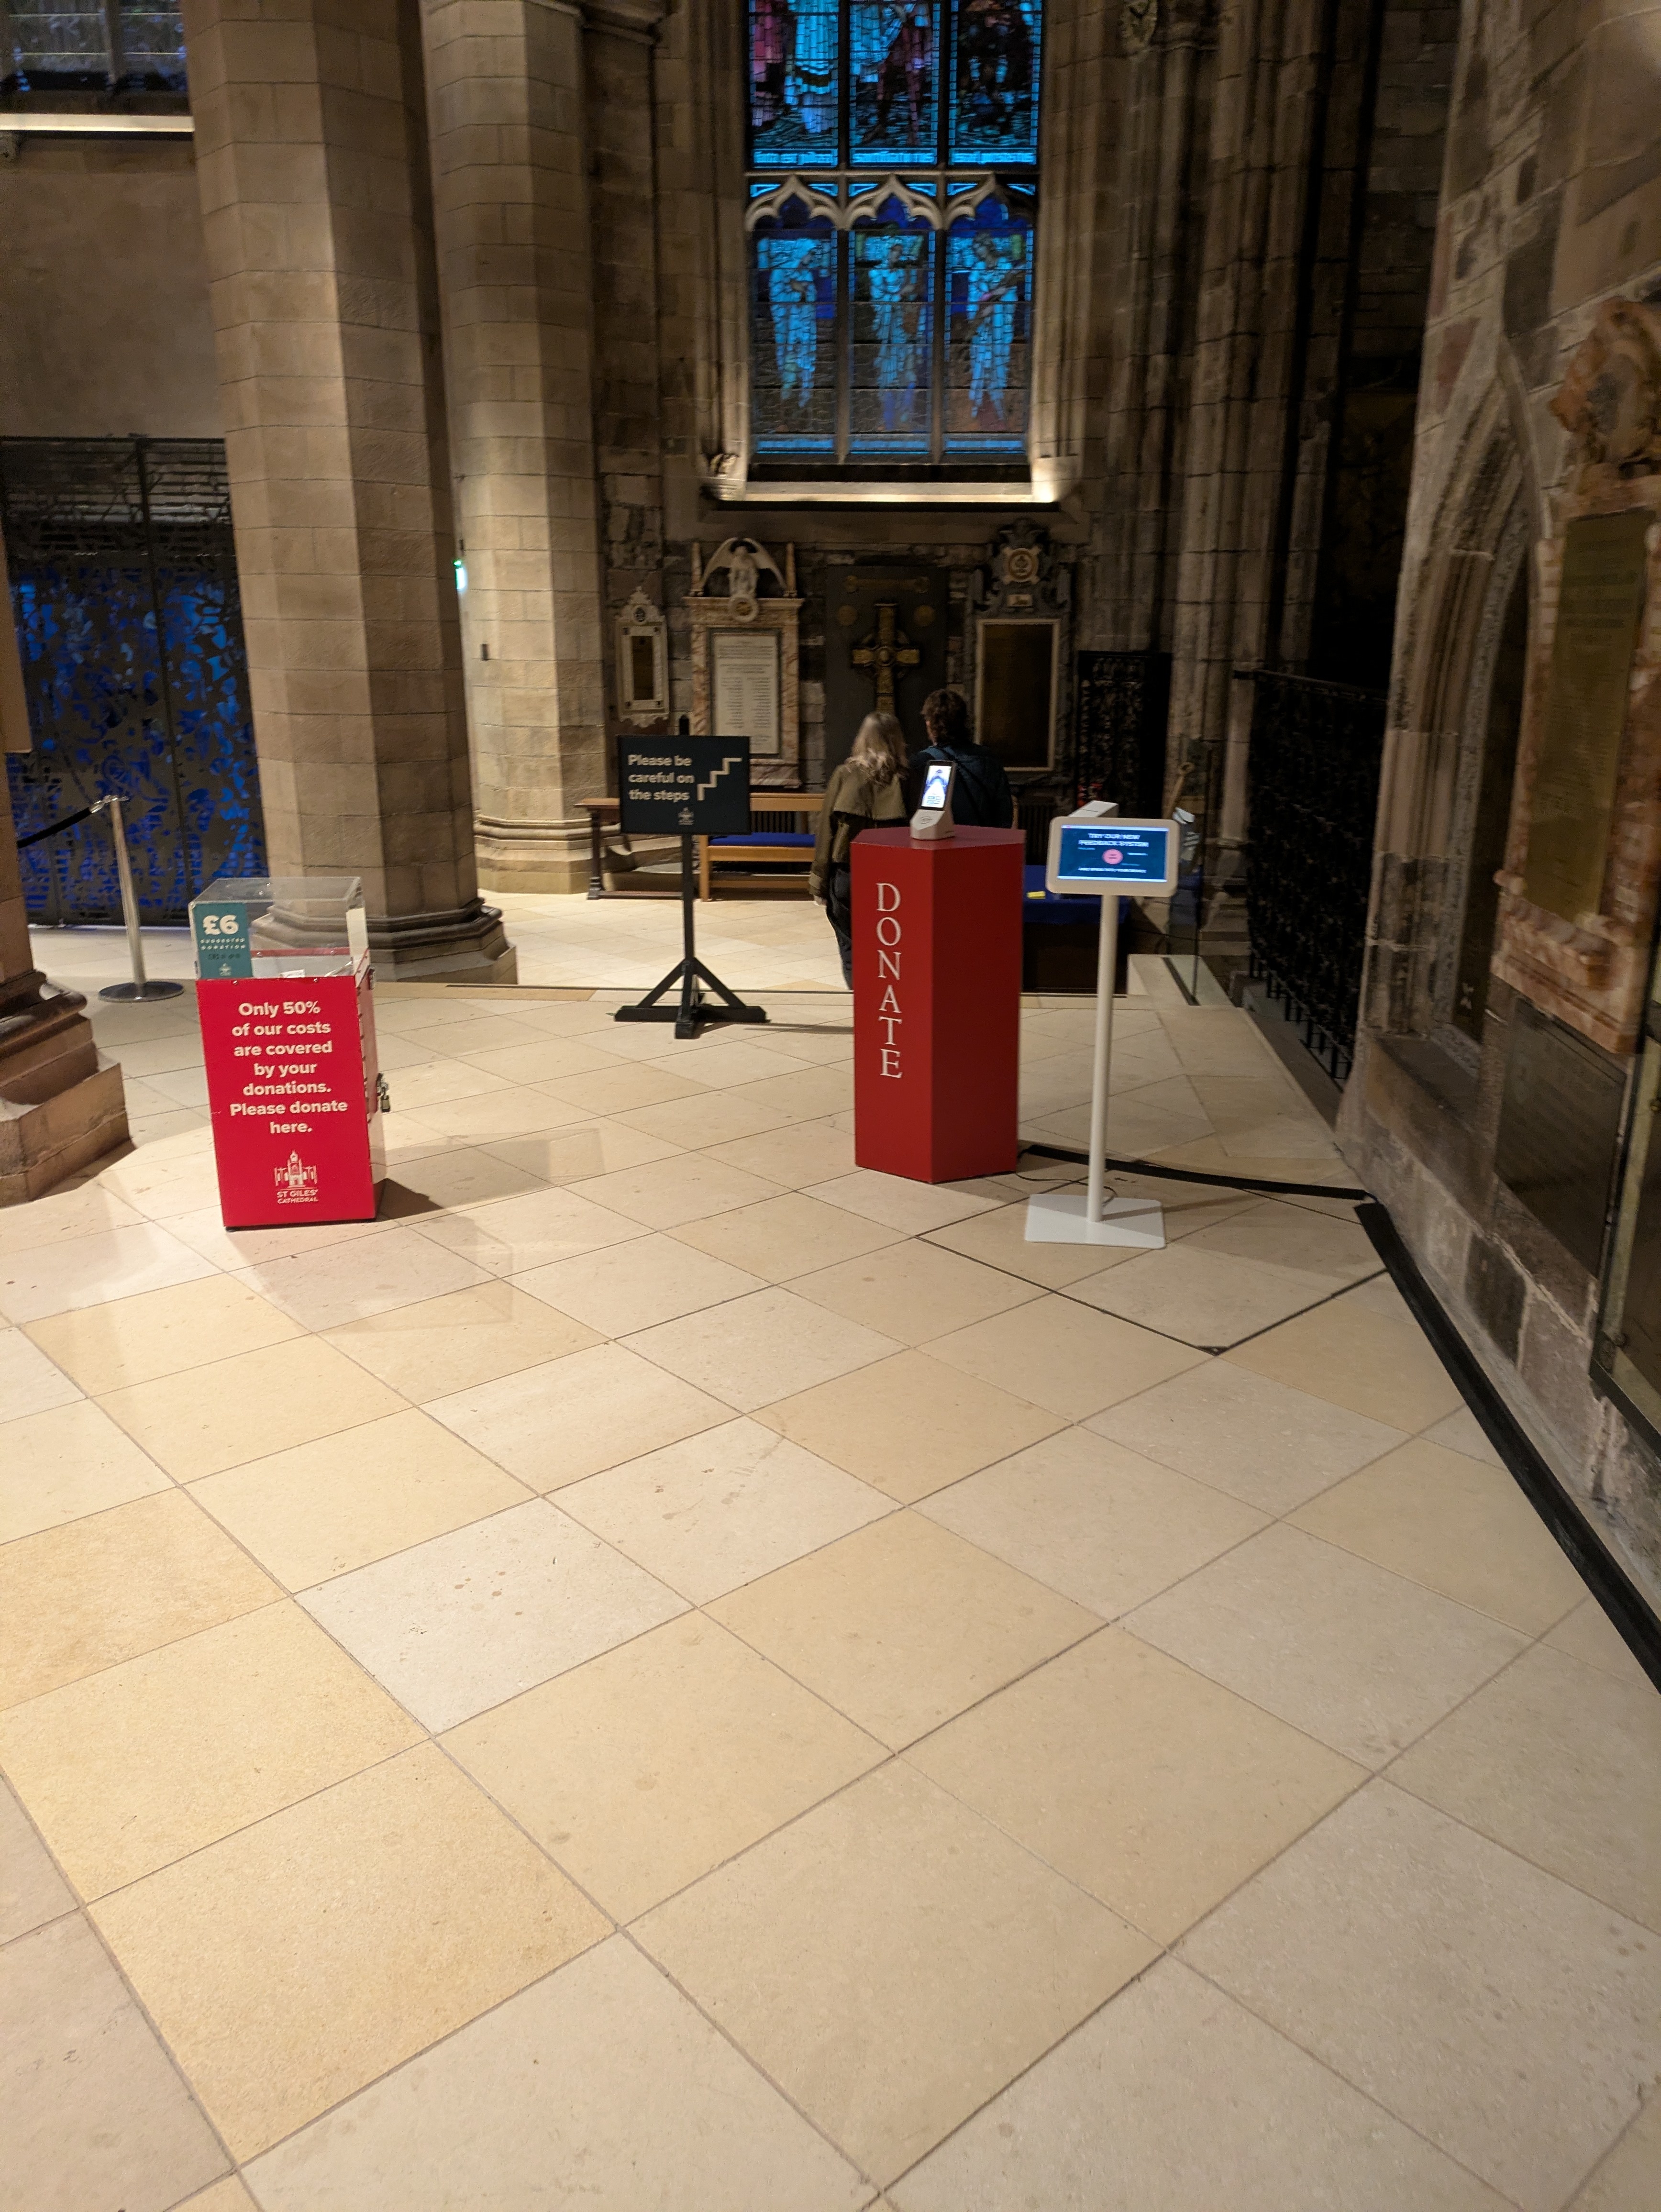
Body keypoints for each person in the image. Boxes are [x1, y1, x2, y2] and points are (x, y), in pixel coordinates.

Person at [810, 710, 909, 985]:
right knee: (890, 949)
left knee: (852, 948)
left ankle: (862, 1006)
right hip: (893, 881)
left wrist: (819, 882)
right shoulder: (907, 780)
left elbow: (826, 832)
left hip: (848, 876)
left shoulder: (844, 775)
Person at [908, 686, 1015, 828]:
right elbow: (1005, 814)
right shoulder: (990, 759)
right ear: (964, 721)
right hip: (985, 843)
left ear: (930, 723)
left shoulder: (921, 763)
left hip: (941, 845)